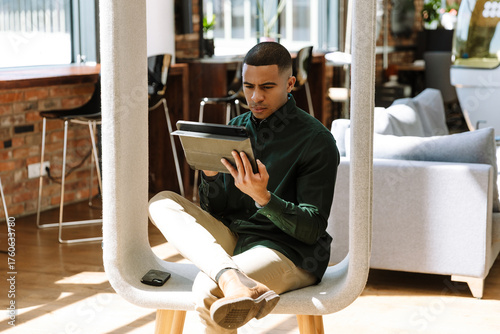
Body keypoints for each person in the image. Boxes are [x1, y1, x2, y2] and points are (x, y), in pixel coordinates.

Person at [148, 42, 340, 333]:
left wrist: (263, 197)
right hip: (237, 239)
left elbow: (312, 229)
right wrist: (211, 178)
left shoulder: (317, 141)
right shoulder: (236, 127)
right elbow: (217, 210)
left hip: (290, 252)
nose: (255, 96)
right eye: (248, 86)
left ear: (290, 84)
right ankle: (231, 277)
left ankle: (226, 279)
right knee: (162, 202)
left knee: (207, 287)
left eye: (266, 87)